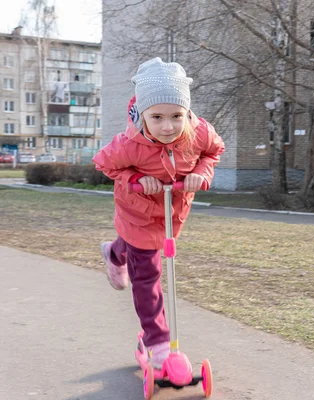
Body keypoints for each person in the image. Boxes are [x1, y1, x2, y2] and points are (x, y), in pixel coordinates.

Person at [92, 57, 225, 369]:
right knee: (147, 273)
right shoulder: (128, 144)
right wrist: (137, 180)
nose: (168, 126)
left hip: (170, 212)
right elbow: (104, 164)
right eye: (158, 117)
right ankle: (157, 341)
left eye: (176, 116)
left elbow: (213, 151)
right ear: (142, 115)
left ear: (187, 112)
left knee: (139, 251)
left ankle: (114, 253)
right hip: (136, 211)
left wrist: (202, 173)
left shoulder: (199, 132)